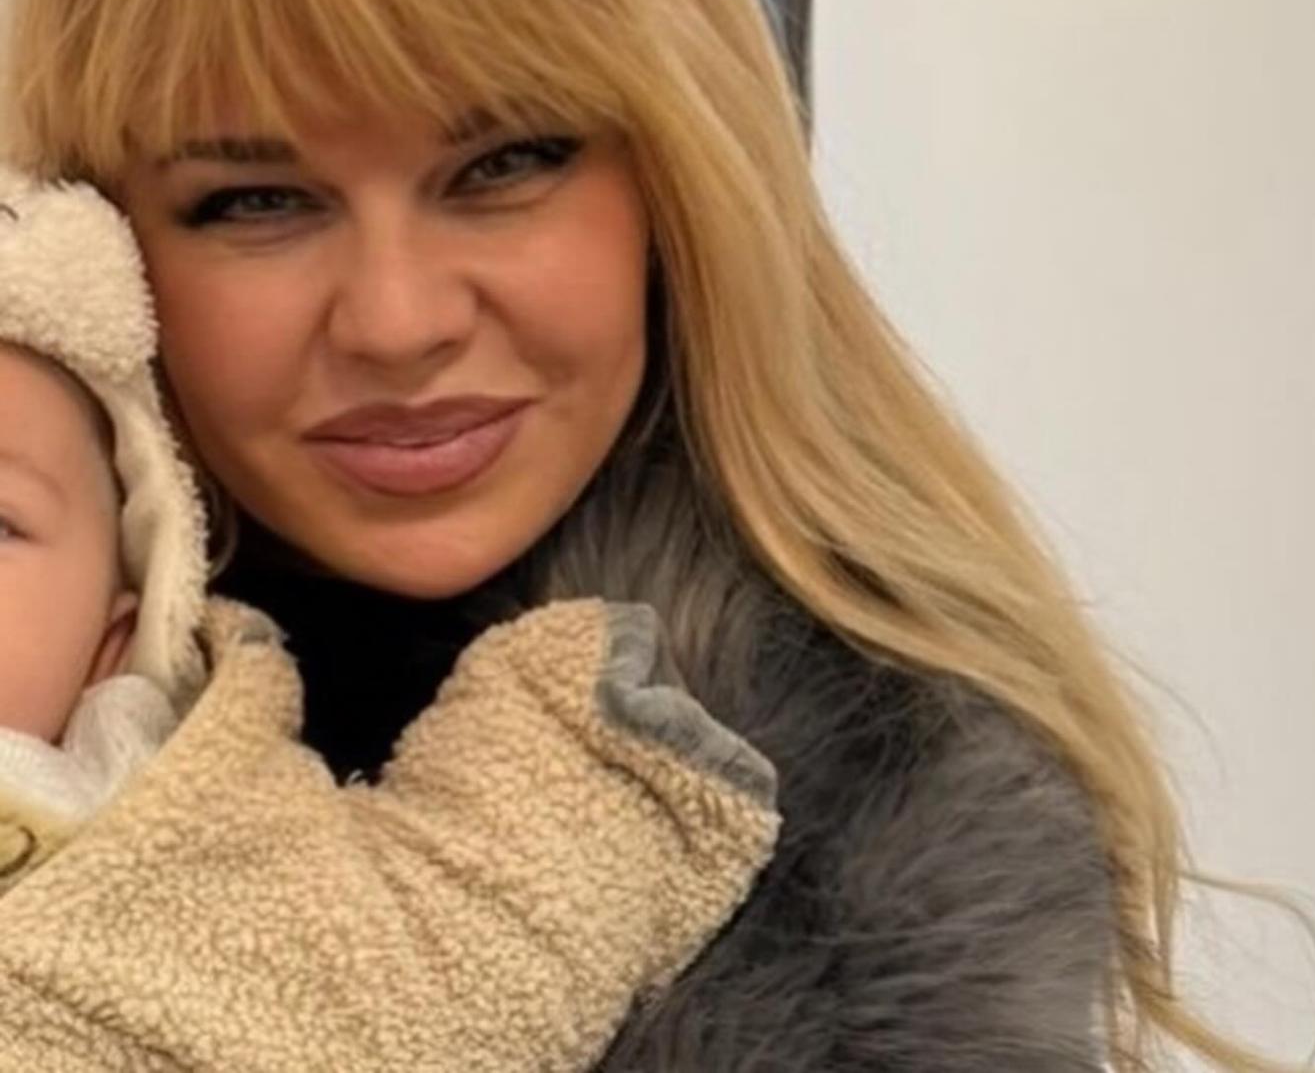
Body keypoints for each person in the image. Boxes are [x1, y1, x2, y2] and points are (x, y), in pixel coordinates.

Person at [0, 0, 1315, 1069]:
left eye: (506, 161)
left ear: (682, 164)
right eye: (254, 200)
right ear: (90, 227)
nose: (396, 319)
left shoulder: (887, 861)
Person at [0, 164, 781, 1069]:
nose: (397, 324)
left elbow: (435, 973)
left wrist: (579, 761)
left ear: (115, 642)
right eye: (259, 197)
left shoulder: (197, 853)